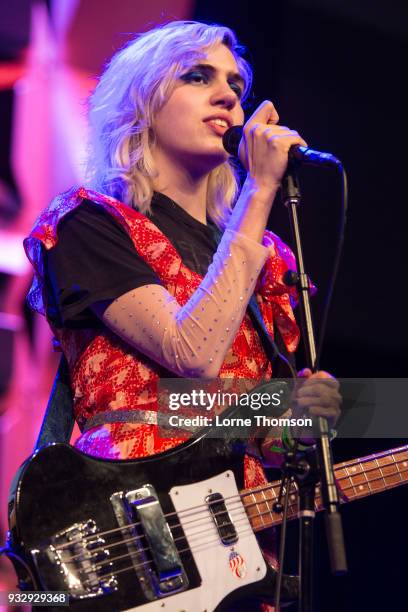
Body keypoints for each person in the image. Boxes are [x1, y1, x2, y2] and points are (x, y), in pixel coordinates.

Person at [24, 20, 341, 610]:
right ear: (140, 103)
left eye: (236, 85)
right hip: (131, 536)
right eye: (199, 77)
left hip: (241, 556)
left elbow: (256, 430)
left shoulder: (270, 262)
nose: (229, 97)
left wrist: (297, 418)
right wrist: (258, 193)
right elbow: (190, 355)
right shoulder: (90, 223)